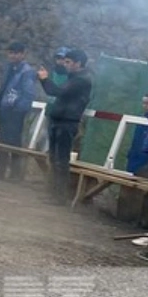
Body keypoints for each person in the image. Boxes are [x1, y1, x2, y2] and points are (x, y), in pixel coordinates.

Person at [36, 48, 93, 204]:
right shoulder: (74, 78)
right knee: (54, 159)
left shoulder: (82, 80)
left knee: (61, 160)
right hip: (59, 120)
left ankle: (60, 196)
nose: (65, 64)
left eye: (68, 62)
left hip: (67, 122)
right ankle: (53, 193)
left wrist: (44, 79)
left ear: (78, 63)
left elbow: (57, 91)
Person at [0, 41, 38, 180]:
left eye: (16, 53)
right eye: (10, 53)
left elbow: (28, 93)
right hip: (5, 107)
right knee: (2, 140)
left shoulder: (27, 71)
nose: (13, 56)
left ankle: (15, 173)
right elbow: (4, 87)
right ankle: (0, 169)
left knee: (14, 141)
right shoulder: (8, 68)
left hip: (16, 110)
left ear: (23, 54)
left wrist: (19, 109)